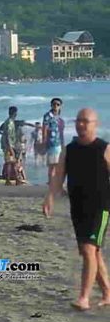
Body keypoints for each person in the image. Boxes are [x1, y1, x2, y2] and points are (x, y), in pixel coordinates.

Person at [43, 108, 110, 311]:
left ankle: (84, 297)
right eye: (78, 120)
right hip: (78, 206)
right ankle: (107, 293)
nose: (81, 124)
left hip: (101, 207)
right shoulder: (69, 149)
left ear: (94, 124)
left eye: (86, 121)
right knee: (90, 252)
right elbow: (58, 175)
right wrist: (50, 197)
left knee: (90, 249)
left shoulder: (104, 149)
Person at [42, 98, 65, 184]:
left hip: (58, 144)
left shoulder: (58, 118)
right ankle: (52, 183)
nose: (56, 106)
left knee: (58, 165)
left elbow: (61, 132)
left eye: (58, 104)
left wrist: (63, 145)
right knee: (52, 165)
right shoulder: (48, 116)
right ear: (51, 105)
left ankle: (54, 183)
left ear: (60, 106)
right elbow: (44, 129)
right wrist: (44, 142)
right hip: (51, 143)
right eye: (54, 104)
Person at [0, 106, 20, 185]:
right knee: (9, 162)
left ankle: (16, 179)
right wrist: (10, 147)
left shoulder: (10, 121)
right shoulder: (9, 123)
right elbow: (7, 136)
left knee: (13, 162)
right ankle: (8, 180)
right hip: (8, 145)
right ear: (15, 113)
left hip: (10, 144)